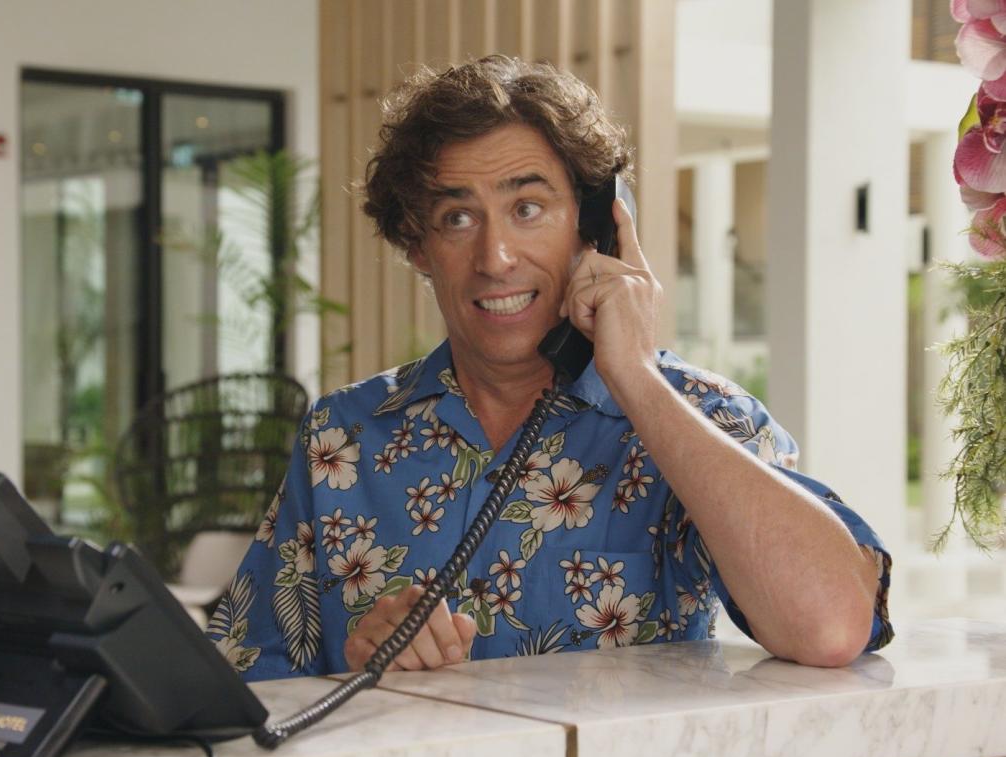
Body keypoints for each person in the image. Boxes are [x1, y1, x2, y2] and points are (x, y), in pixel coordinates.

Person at [206, 55, 892, 680]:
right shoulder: (342, 437)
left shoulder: (702, 419)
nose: (495, 256)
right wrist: (356, 669)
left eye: (527, 208)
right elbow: (238, 687)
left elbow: (832, 627)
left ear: (595, 226)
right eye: (456, 218)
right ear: (417, 247)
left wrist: (636, 378)